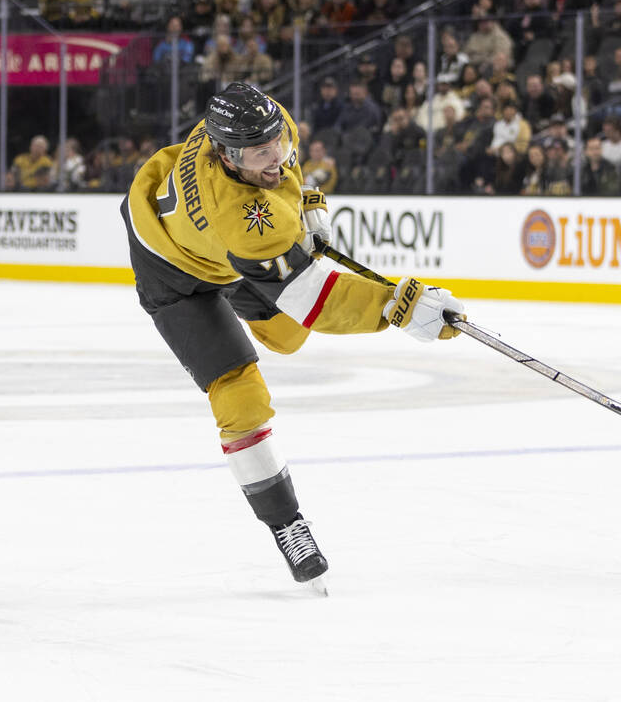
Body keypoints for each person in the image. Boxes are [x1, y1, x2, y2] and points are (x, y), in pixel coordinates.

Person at [120, 82, 465, 586]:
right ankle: (287, 524)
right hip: (170, 269)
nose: (275, 157)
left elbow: (291, 166)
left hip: (229, 252)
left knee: (287, 338)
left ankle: (254, 279)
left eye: (276, 143)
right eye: (261, 154)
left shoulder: (265, 121)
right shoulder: (240, 219)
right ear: (227, 153)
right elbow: (316, 301)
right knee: (242, 396)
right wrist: (398, 306)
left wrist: (305, 206)